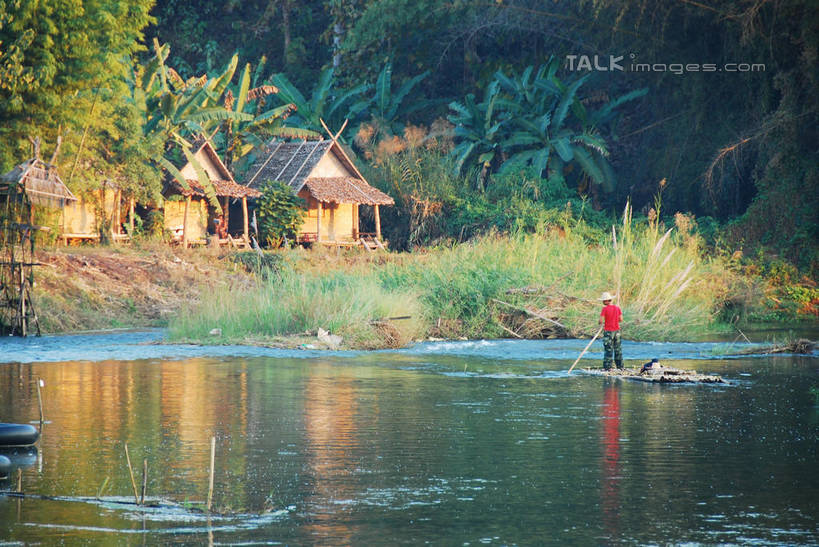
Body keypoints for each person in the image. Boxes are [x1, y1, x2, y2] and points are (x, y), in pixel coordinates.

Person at [599, 292, 623, 370]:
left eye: (603, 300)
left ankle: (607, 367)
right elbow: (621, 319)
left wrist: (600, 323)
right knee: (618, 349)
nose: (603, 302)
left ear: (606, 301)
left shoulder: (605, 309)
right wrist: (614, 320)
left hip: (608, 331)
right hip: (617, 331)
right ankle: (620, 367)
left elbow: (601, 320)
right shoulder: (617, 308)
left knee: (608, 350)